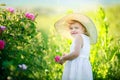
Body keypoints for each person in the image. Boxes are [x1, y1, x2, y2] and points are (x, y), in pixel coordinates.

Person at [54, 13, 97, 80]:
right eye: (71, 28)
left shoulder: (79, 37)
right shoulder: (86, 38)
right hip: (84, 66)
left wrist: (64, 58)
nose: (73, 30)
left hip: (77, 66)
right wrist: (68, 55)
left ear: (84, 29)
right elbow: (79, 54)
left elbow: (76, 54)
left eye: (76, 28)